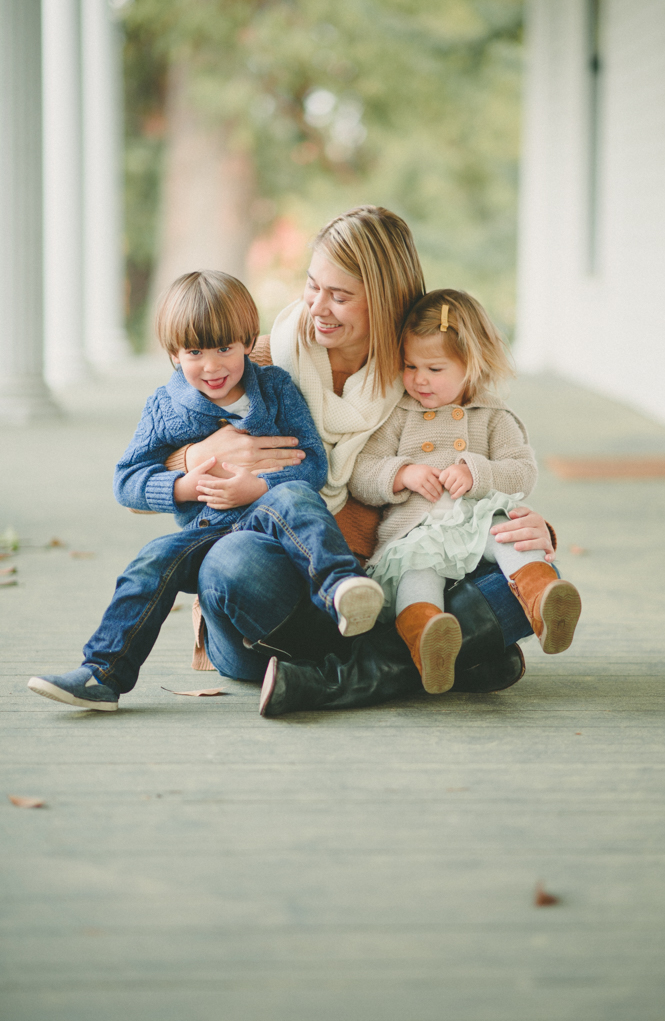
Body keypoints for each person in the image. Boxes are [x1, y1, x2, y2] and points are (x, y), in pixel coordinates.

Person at [162, 207, 561, 717]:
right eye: (313, 286)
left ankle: (344, 677)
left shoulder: (422, 377)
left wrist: (526, 526)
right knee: (230, 564)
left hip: (381, 589)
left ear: (387, 301)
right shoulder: (257, 363)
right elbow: (147, 465)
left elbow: (486, 458)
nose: (317, 308)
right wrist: (197, 455)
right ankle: (449, 657)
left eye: (340, 296)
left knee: (533, 575)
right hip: (283, 601)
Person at [26, 270, 383, 712]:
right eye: (195, 351)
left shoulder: (275, 389)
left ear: (248, 342)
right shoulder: (165, 406)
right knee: (151, 560)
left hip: (270, 527)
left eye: (224, 348)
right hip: (207, 529)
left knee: (296, 497)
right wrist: (184, 485)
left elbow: (311, 462)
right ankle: (102, 673)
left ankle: (342, 588)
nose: (212, 366)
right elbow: (127, 480)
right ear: (174, 353)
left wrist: (257, 486)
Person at [343, 289, 581, 695]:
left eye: (434, 368)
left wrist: (477, 472)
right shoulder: (399, 414)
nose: (419, 379)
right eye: (409, 365)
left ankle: (543, 599)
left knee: (509, 532)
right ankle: (429, 639)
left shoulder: (492, 416)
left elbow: (522, 472)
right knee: (417, 575)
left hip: (477, 523)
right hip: (416, 533)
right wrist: (402, 473)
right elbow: (361, 472)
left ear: (471, 365)